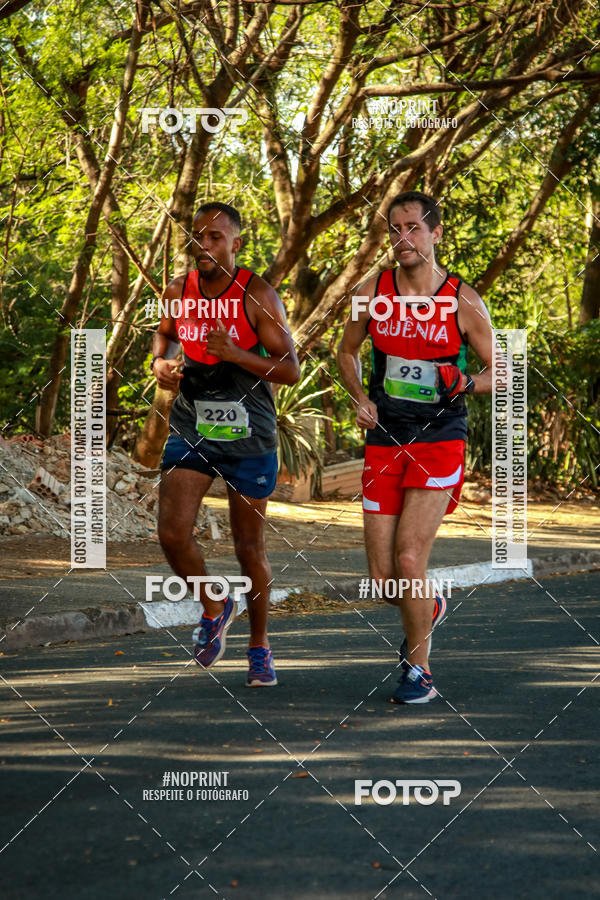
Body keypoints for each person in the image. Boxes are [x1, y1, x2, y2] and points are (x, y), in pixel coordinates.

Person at [337, 191, 493, 704]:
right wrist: (360, 397)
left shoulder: (461, 298)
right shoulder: (372, 290)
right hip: (385, 438)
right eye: (395, 229)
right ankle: (429, 606)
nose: (402, 238)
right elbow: (346, 352)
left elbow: (503, 370)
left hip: (439, 439)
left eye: (413, 228)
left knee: (408, 560)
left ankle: (419, 672)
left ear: (435, 234)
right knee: (384, 581)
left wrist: (465, 382)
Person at [152, 202, 300, 686]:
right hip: (193, 422)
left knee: (247, 547)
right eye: (198, 236)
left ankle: (260, 647)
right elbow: (165, 337)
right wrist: (162, 363)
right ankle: (215, 603)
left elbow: (291, 369)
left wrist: (237, 354)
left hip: (248, 428)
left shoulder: (256, 295)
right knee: (172, 533)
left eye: (215, 237)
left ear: (235, 244)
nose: (204, 245)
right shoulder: (180, 290)